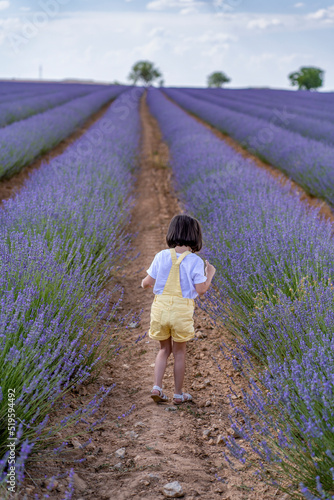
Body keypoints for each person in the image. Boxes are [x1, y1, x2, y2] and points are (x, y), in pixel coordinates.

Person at [141, 214, 216, 405]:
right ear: (195, 236)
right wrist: (210, 275)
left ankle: (157, 387)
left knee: (163, 349)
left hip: (161, 309)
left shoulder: (161, 256)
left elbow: (147, 283)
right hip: (181, 312)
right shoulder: (195, 261)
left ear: (172, 233)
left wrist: (145, 283)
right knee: (180, 352)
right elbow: (201, 290)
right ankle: (178, 393)